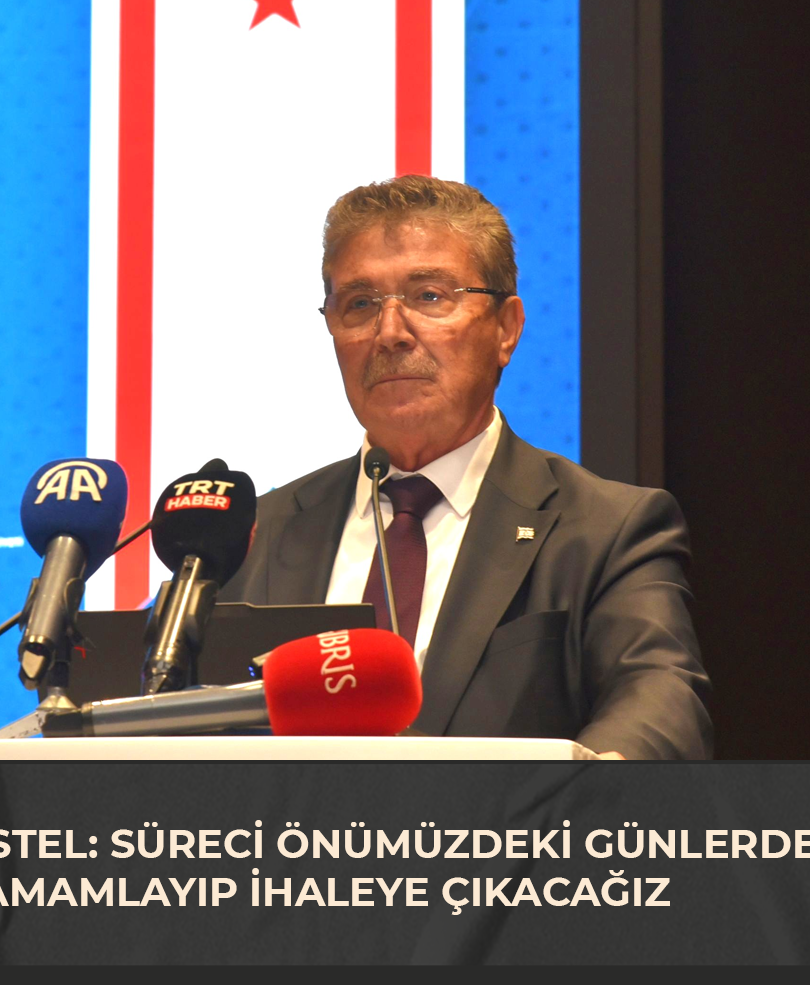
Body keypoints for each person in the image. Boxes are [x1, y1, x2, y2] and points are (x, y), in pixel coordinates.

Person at [218, 176, 711, 759]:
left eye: (429, 296)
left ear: (506, 329)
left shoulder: (607, 530)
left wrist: (579, 793)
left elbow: (661, 700)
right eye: (360, 304)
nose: (390, 333)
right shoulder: (253, 535)